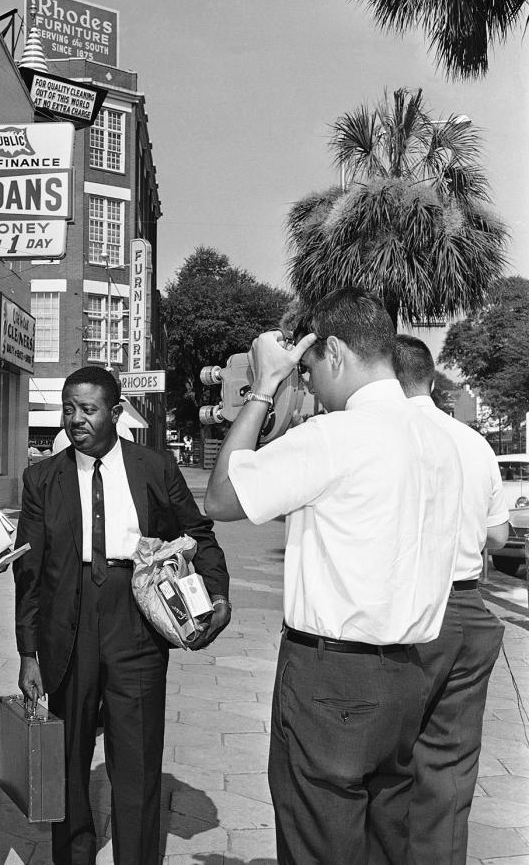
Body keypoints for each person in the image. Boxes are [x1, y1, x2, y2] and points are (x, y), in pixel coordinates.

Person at [203, 288, 465, 864]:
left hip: (331, 677)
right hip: (406, 673)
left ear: (338, 352)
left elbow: (222, 497)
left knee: (318, 840)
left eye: (309, 365)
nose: (310, 382)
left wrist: (264, 388)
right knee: (381, 841)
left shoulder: (335, 436)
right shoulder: (442, 441)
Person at [14, 366, 230, 865]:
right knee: (67, 762)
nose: (75, 420)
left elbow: (199, 532)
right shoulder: (41, 478)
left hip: (134, 621)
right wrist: (29, 651)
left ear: (115, 413)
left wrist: (217, 596)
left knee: (135, 764)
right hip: (67, 628)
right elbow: (28, 573)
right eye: (68, 409)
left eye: (88, 410)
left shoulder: (153, 468)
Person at [393, 334, 509, 864]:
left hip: (407, 608)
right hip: (468, 608)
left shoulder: (387, 434)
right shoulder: (474, 442)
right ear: (431, 378)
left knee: (386, 764)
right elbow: (500, 538)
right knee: (450, 767)